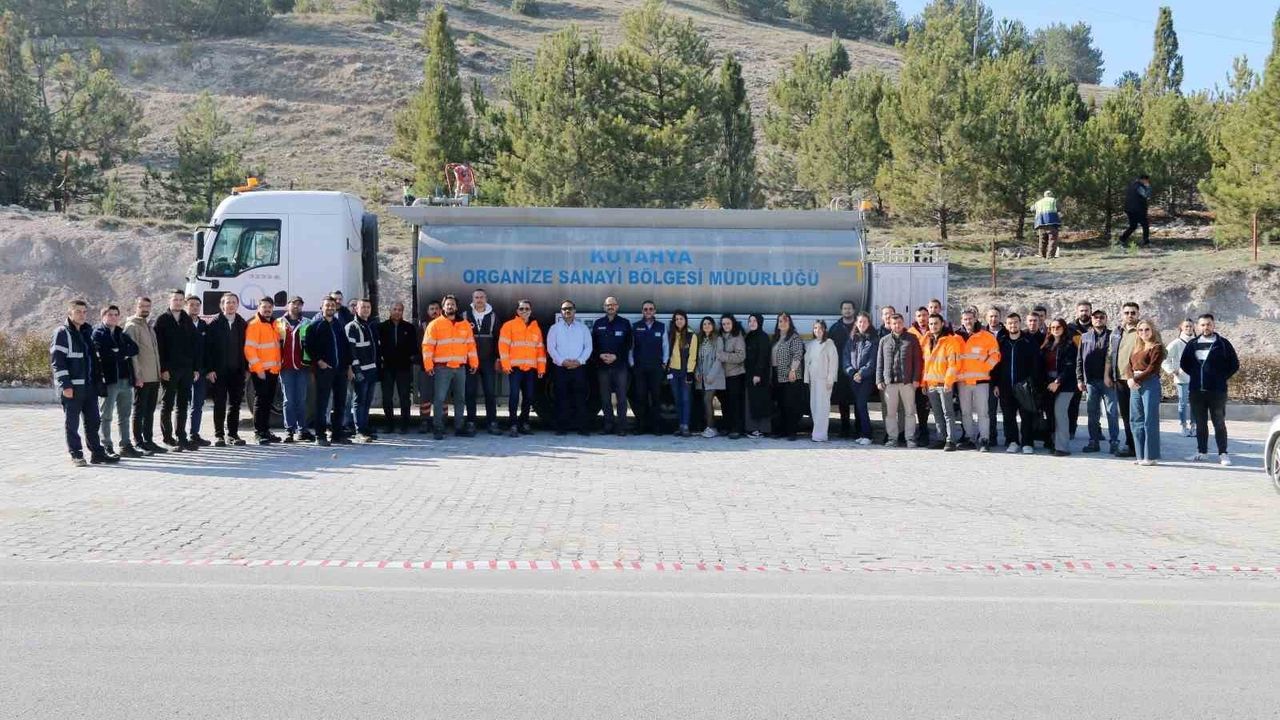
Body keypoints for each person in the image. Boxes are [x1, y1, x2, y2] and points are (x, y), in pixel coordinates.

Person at [52, 300, 117, 466]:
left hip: (89, 387)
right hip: (72, 388)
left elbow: (93, 360)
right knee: (72, 424)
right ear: (70, 313)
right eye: (78, 311)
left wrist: (98, 382)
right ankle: (76, 454)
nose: (82, 314)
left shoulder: (87, 332)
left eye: (84, 312)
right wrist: (65, 385)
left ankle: (97, 453)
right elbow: (58, 362)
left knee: (94, 422)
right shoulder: (62, 333)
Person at [1181, 314, 1240, 466]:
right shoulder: (1192, 344)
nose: (1205, 327)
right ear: (1198, 327)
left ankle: (1223, 453)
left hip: (1217, 392)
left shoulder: (1223, 344)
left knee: (1219, 422)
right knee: (1200, 423)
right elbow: (1184, 363)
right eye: (1202, 325)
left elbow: (1234, 364)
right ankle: (1202, 452)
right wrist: (1196, 375)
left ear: (1213, 326)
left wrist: (1220, 378)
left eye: (1208, 324)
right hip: (1196, 391)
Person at [422, 294, 478, 440]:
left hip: (460, 368)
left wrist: (474, 363)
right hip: (442, 368)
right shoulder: (435, 324)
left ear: (456, 307)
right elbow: (427, 346)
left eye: (452, 304)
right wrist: (428, 366)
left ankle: (459, 427)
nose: (450, 306)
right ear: (443, 307)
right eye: (447, 304)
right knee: (439, 399)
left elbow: (471, 346)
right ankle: (438, 427)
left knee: (460, 398)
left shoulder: (465, 325)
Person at [92, 305, 142, 459]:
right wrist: (121, 353)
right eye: (110, 315)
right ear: (103, 316)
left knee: (125, 415)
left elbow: (134, 349)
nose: (113, 317)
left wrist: (118, 352)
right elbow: (103, 354)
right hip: (110, 381)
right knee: (106, 415)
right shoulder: (98, 333)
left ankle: (125, 445)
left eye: (116, 315)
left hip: (125, 380)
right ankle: (106, 445)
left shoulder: (120, 333)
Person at [153, 289, 200, 451]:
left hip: (186, 369)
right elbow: (159, 347)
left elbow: (194, 346)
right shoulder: (162, 320)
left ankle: (182, 437)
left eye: (181, 300)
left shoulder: (186, 319)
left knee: (183, 404)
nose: (178, 302)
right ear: (169, 301)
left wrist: (195, 368)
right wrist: (163, 368)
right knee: (167, 404)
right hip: (170, 370)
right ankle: (167, 438)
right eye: (175, 299)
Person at [305, 295, 353, 446]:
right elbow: (308, 345)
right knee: (323, 403)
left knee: (340, 403)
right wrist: (319, 361)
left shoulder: (338, 324)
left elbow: (345, 347)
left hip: (340, 371)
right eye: (327, 305)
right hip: (325, 370)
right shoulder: (316, 325)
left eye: (332, 305)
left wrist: (349, 367)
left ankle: (337, 435)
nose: (330, 308)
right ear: (322, 307)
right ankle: (320, 435)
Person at [994, 312, 1043, 455]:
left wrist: (1033, 383)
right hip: (1005, 386)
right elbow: (996, 364)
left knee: (1026, 416)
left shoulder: (1028, 341)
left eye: (1015, 322)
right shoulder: (1001, 341)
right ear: (1006, 325)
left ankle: (1027, 442)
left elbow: (1036, 364)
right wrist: (996, 384)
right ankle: (1012, 441)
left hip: (1024, 387)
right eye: (1010, 323)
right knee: (1008, 416)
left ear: (1020, 323)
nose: (1013, 325)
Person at [204, 293, 248, 447]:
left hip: (237, 371)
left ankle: (233, 434)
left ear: (237, 305)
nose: (230, 305)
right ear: (222, 305)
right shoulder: (214, 324)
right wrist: (209, 370)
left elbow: (246, 348)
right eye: (227, 302)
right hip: (219, 372)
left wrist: (246, 368)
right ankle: (219, 435)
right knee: (220, 403)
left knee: (235, 404)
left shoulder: (242, 323)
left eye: (233, 302)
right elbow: (207, 349)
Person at [497, 299, 546, 436]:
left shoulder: (535, 328)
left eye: (527, 309)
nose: (524, 311)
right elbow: (503, 347)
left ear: (531, 311)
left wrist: (541, 368)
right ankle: (513, 424)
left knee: (529, 396)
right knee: (513, 396)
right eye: (521, 309)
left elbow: (540, 349)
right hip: (515, 368)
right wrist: (506, 365)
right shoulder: (509, 326)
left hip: (530, 368)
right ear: (517, 311)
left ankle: (524, 423)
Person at [1076, 309, 1121, 455]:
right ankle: (1093, 441)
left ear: (1106, 319)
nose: (1098, 320)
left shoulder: (1113, 336)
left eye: (1102, 317)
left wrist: (1114, 377)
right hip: (1091, 382)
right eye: (1096, 317)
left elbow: (1116, 358)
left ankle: (1114, 442)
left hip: (1108, 382)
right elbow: (1080, 359)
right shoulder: (1085, 337)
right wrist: (1080, 379)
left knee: (1112, 412)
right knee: (1092, 413)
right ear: (1092, 319)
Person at [955, 309, 1000, 452]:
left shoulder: (987, 336)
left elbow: (995, 356)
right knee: (965, 412)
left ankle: (984, 439)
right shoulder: (956, 336)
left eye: (970, 318)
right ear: (961, 320)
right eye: (965, 319)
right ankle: (969, 437)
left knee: (983, 412)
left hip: (981, 381)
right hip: (962, 382)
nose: (968, 321)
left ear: (975, 319)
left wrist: (984, 367)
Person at [124, 296, 164, 455]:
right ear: (136, 306)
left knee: (150, 410)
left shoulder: (148, 326)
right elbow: (132, 355)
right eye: (142, 306)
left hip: (153, 376)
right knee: (139, 410)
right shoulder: (132, 326)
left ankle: (149, 440)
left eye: (148, 306)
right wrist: (137, 375)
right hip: (142, 378)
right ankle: (138, 441)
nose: (145, 309)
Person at [547, 299, 592, 436]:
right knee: (561, 398)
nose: (567, 311)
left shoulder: (582, 328)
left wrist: (579, 361)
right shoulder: (554, 328)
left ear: (574, 311)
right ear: (561, 312)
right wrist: (562, 361)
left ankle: (582, 428)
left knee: (580, 398)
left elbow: (588, 347)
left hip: (578, 368)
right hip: (561, 368)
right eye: (564, 309)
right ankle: (562, 428)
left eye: (570, 308)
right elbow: (551, 348)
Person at [876, 313, 922, 448]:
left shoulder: (912, 339)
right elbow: (880, 362)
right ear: (890, 324)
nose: (897, 326)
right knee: (890, 413)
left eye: (899, 323)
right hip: (889, 383)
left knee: (909, 412)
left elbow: (918, 361)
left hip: (907, 382)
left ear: (903, 324)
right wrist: (879, 379)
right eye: (894, 323)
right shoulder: (884, 341)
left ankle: (910, 438)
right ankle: (892, 438)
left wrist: (916, 379)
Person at [245, 297, 284, 445]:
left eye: (269, 307)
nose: (267, 309)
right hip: (261, 371)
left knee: (267, 401)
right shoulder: (255, 325)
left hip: (273, 370)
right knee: (260, 401)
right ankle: (259, 432)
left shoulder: (273, 324)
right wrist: (258, 369)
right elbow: (249, 349)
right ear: (259, 308)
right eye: (264, 307)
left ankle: (266, 430)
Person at [921, 313, 962, 451]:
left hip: (944, 384)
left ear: (942, 324)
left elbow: (953, 364)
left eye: (935, 323)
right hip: (931, 384)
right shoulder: (927, 341)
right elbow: (926, 364)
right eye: (931, 324)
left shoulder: (950, 341)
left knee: (948, 413)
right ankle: (941, 438)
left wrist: (948, 383)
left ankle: (951, 440)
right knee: (937, 413)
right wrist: (924, 383)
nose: (933, 326)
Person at [592, 296, 632, 435]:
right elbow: (594, 345)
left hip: (620, 366)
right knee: (605, 397)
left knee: (621, 397)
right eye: (608, 305)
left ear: (617, 307)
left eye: (613, 305)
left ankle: (622, 427)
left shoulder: (625, 323)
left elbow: (628, 344)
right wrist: (600, 355)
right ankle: (608, 425)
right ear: (604, 307)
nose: (610, 307)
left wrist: (616, 356)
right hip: (603, 366)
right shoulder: (598, 323)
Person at [1104, 302, 1141, 457]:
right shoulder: (1116, 332)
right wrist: (1107, 374)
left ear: (1138, 314)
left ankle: (1141, 446)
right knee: (1126, 415)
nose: (1130, 315)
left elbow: (1159, 351)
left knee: (1138, 415)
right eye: (1126, 313)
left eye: (1133, 313)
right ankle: (1131, 445)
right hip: (1120, 379)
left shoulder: (1143, 330)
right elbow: (1110, 355)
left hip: (1138, 380)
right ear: (1122, 314)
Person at [1128, 320, 1166, 466]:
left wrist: (1135, 379)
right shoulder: (1137, 348)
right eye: (1141, 330)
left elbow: (1152, 369)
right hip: (1135, 383)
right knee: (1136, 419)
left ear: (1152, 330)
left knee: (1149, 419)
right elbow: (1128, 365)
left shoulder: (1157, 347)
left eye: (1147, 329)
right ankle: (1139, 455)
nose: (1144, 332)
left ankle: (1150, 456)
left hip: (1149, 383)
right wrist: (1130, 379)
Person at [463, 288, 501, 435]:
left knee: (490, 392)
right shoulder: (465, 315)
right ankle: (471, 422)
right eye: (476, 297)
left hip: (488, 360)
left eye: (481, 297)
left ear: (486, 299)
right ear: (473, 299)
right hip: (470, 360)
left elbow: (499, 339)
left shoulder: (493, 317)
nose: (479, 300)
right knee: (470, 392)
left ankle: (492, 422)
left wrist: (498, 357)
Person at [378, 301, 418, 435]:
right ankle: (389, 424)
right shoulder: (382, 327)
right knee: (387, 397)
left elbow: (414, 347)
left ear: (403, 312)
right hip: (387, 368)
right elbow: (378, 348)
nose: (397, 312)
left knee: (404, 397)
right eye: (394, 309)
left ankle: (405, 425)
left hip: (404, 367)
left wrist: (410, 359)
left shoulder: (409, 328)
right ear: (390, 310)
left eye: (400, 310)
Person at [276, 296, 312, 443]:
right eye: (293, 303)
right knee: (288, 400)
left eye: (299, 304)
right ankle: (289, 431)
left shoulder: (307, 323)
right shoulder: (278, 323)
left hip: (302, 367)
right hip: (285, 368)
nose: (296, 306)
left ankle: (302, 430)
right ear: (287, 305)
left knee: (301, 400)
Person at [1042, 319, 1080, 457]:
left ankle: (1062, 447)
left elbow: (1070, 366)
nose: (1055, 329)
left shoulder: (1070, 345)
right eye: (1052, 327)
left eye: (1058, 327)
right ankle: (1054, 443)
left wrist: (1058, 381)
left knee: (1060, 413)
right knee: (1051, 414)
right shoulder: (1047, 345)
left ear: (1064, 328)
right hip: (1048, 384)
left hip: (1066, 385)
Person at [344, 298, 379, 443]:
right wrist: (355, 370)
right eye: (363, 307)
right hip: (361, 372)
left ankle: (364, 428)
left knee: (367, 401)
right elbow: (351, 351)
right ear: (356, 309)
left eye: (368, 307)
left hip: (371, 371)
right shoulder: (352, 327)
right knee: (359, 401)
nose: (365, 309)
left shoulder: (369, 325)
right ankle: (359, 431)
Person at [840, 312, 878, 445]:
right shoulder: (852, 339)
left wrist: (861, 373)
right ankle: (862, 433)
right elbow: (845, 358)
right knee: (858, 405)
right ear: (856, 323)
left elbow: (872, 362)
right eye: (860, 322)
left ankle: (868, 434)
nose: (862, 324)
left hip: (866, 379)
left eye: (865, 322)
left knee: (861, 404)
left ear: (869, 323)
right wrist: (851, 372)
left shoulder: (873, 340)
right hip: (853, 378)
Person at [631, 300, 669, 435]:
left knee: (656, 397)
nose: (648, 311)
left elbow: (665, 346)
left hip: (656, 367)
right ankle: (640, 426)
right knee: (640, 397)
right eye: (645, 309)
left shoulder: (661, 326)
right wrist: (632, 363)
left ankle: (656, 427)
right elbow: (632, 347)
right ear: (642, 311)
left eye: (651, 309)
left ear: (655, 311)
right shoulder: (636, 326)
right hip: (640, 367)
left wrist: (664, 362)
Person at [771, 312, 806, 441]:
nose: (782, 323)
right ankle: (782, 431)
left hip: (790, 376)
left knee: (791, 405)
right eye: (780, 321)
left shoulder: (794, 338)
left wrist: (793, 370)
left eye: (785, 320)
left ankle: (792, 432)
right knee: (780, 405)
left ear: (789, 323)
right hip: (776, 374)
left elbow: (798, 354)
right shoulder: (776, 338)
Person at [828, 301, 859, 438]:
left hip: (857, 370)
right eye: (845, 309)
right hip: (841, 370)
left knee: (859, 400)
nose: (847, 311)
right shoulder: (835, 328)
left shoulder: (861, 326)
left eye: (849, 308)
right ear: (841, 311)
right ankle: (845, 428)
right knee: (843, 401)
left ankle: (859, 428)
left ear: (854, 310)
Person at [805, 320, 839, 442]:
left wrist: (831, 379)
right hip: (813, 380)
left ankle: (821, 434)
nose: (817, 330)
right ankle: (816, 432)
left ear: (824, 330)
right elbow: (807, 362)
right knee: (814, 406)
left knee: (822, 407)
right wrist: (806, 378)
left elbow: (833, 363)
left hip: (824, 380)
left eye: (820, 328)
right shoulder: (811, 344)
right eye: (815, 328)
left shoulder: (829, 344)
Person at [666, 311, 697, 437]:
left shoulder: (691, 335)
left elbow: (692, 355)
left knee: (686, 399)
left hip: (685, 372)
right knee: (677, 399)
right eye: (676, 319)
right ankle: (680, 425)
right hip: (673, 371)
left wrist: (690, 372)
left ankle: (686, 426)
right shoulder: (671, 334)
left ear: (685, 320)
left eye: (681, 318)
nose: (679, 321)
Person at [1163, 319, 1196, 438]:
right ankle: (1183, 425)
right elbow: (1164, 358)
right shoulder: (1176, 343)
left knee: (1195, 403)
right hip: (1182, 377)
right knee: (1183, 402)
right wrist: (1172, 370)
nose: (1188, 328)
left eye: (1190, 326)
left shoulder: (1197, 342)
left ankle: (1194, 425)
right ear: (1181, 328)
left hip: (1196, 378)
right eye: (1186, 326)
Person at [743, 313, 772, 439]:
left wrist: (758, 374)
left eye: (755, 321)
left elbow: (763, 357)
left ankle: (760, 429)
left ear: (760, 322)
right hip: (749, 374)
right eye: (750, 321)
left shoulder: (763, 337)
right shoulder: (749, 336)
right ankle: (752, 428)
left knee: (760, 402)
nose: (752, 323)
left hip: (759, 376)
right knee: (751, 402)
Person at [717, 314, 746, 440]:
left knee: (735, 403)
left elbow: (741, 356)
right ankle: (727, 426)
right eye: (723, 324)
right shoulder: (720, 337)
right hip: (722, 375)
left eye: (728, 323)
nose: (726, 326)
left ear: (733, 324)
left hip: (735, 374)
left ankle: (737, 428)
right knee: (724, 402)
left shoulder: (737, 337)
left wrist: (724, 356)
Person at [695, 317, 724, 438]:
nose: (706, 326)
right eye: (704, 324)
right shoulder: (701, 340)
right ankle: (707, 426)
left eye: (709, 323)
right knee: (704, 402)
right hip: (702, 377)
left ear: (713, 325)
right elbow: (698, 359)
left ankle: (712, 427)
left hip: (713, 376)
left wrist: (711, 375)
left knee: (708, 400)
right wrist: (697, 372)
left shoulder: (718, 339)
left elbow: (719, 359)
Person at [416, 301, 441, 432]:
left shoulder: (447, 324)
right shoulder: (423, 326)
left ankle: (441, 421)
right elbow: (419, 346)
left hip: (443, 366)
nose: (434, 311)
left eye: (437, 308)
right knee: (425, 395)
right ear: (428, 312)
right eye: (432, 309)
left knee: (442, 395)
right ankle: (424, 421)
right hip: (425, 366)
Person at [908, 307, 932, 445]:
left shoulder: (934, 331)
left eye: (924, 315)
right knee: (913, 407)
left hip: (930, 376)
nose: (922, 318)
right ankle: (911, 432)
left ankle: (924, 432)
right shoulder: (910, 332)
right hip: (913, 377)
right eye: (919, 316)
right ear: (915, 317)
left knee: (925, 407)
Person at [1120, 174, 1152, 247]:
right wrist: (1148, 187)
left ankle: (1122, 239)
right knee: (1145, 225)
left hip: (1129, 209)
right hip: (1138, 209)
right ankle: (1146, 242)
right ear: (1144, 179)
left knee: (1133, 226)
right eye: (1147, 180)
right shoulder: (1139, 187)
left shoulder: (1132, 185)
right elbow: (1146, 195)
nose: (1147, 182)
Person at [1032, 190, 1062, 259]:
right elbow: (1059, 208)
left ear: (1044, 195)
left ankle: (1042, 255)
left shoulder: (1038, 202)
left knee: (1042, 240)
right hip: (1052, 222)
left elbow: (1032, 209)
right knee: (1052, 239)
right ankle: (1050, 256)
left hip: (1040, 223)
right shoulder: (1053, 200)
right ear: (1051, 195)